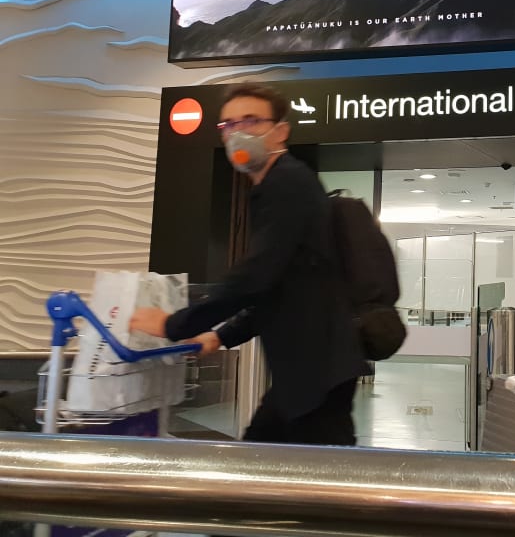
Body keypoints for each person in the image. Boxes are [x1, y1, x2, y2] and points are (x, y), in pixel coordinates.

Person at [130, 82, 370, 446]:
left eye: (251, 121)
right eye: (227, 125)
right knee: (268, 459)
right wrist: (220, 335)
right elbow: (280, 286)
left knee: (313, 476)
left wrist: (174, 323)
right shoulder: (280, 184)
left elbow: (255, 276)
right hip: (310, 369)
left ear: (281, 131)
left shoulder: (286, 182)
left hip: (316, 368)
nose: (237, 133)